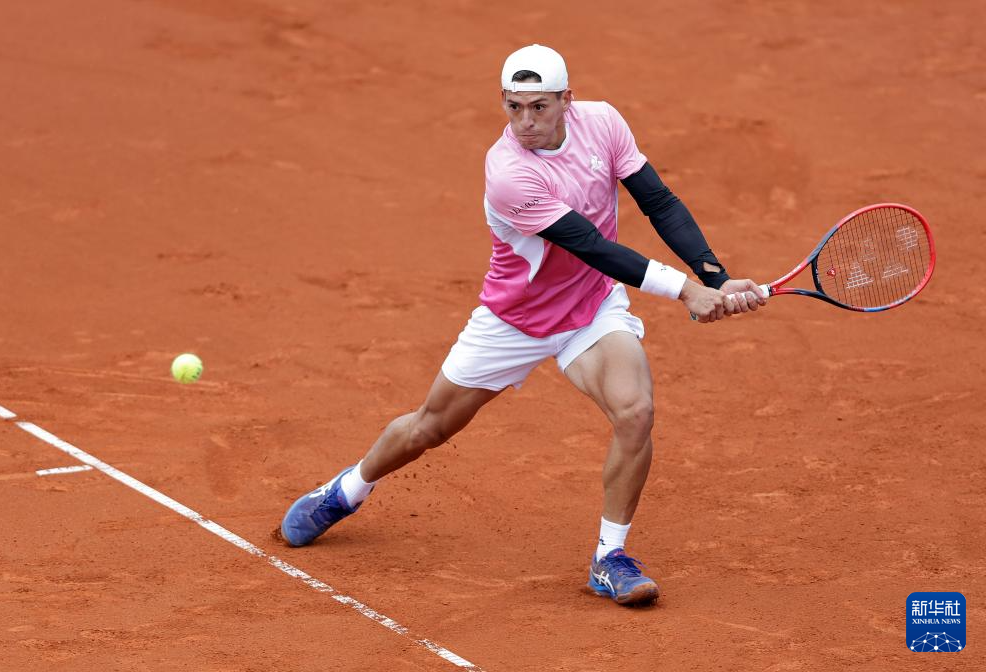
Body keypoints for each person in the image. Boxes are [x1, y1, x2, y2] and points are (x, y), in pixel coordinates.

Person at [279, 44, 765, 606]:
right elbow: (591, 245)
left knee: (635, 412)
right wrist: (684, 290)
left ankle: (609, 558)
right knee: (427, 428)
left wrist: (714, 275)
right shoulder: (508, 173)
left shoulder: (604, 123)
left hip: (590, 308)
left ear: (567, 100)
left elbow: (658, 200)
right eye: (514, 107)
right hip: (514, 320)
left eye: (539, 107)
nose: (526, 122)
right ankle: (348, 489)